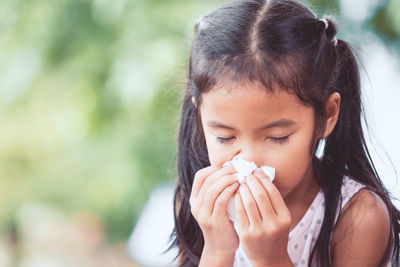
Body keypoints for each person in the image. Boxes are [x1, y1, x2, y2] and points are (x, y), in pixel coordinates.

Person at [169, 0, 400, 266]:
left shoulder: (357, 215)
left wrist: (272, 259)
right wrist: (217, 250)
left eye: (278, 137)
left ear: (327, 116)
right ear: (201, 117)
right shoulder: (199, 205)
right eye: (225, 137)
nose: (250, 160)